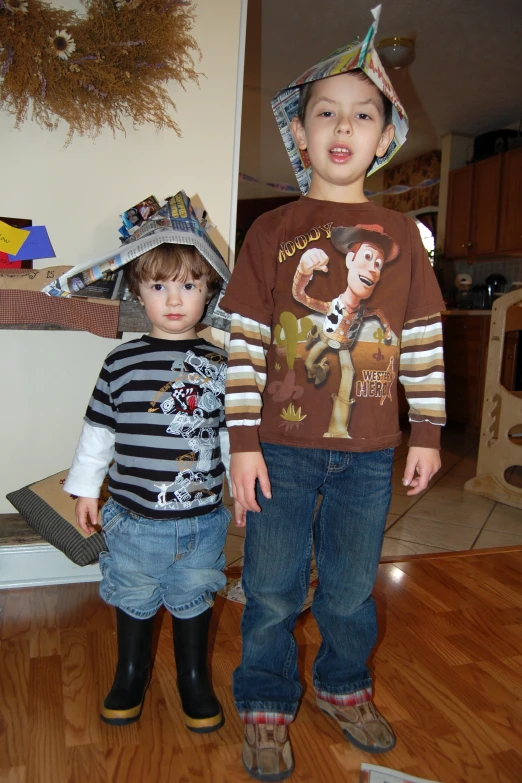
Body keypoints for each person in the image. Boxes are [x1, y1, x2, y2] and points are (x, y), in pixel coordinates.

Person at [220, 24, 446, 782]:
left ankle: (344, 687)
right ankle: (263, 699)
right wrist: (242, 439)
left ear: (385, 137)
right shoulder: (270, 231)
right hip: (278, 447)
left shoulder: (406, 238)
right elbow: (247, 340)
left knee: (350, 591)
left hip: (368, 454)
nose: (343, 125)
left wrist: (430, 429)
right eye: (325, 111)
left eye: (362, 113)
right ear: (297, 130)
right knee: (273, 588)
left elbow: (419, 338)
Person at [64, 242, 244, 733]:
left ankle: (193, 678)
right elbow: (98, 433)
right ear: (138, 294)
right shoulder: (119, 363)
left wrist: (241, 486)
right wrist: (85, 490)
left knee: (195, 593)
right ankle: (132, 672)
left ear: (208, 293)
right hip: (133, 519)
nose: (173, 299)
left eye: (189, 285)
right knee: (133, 593)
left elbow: (232, 436)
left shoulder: (222, 363)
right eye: (158, 286)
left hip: (203, 520)